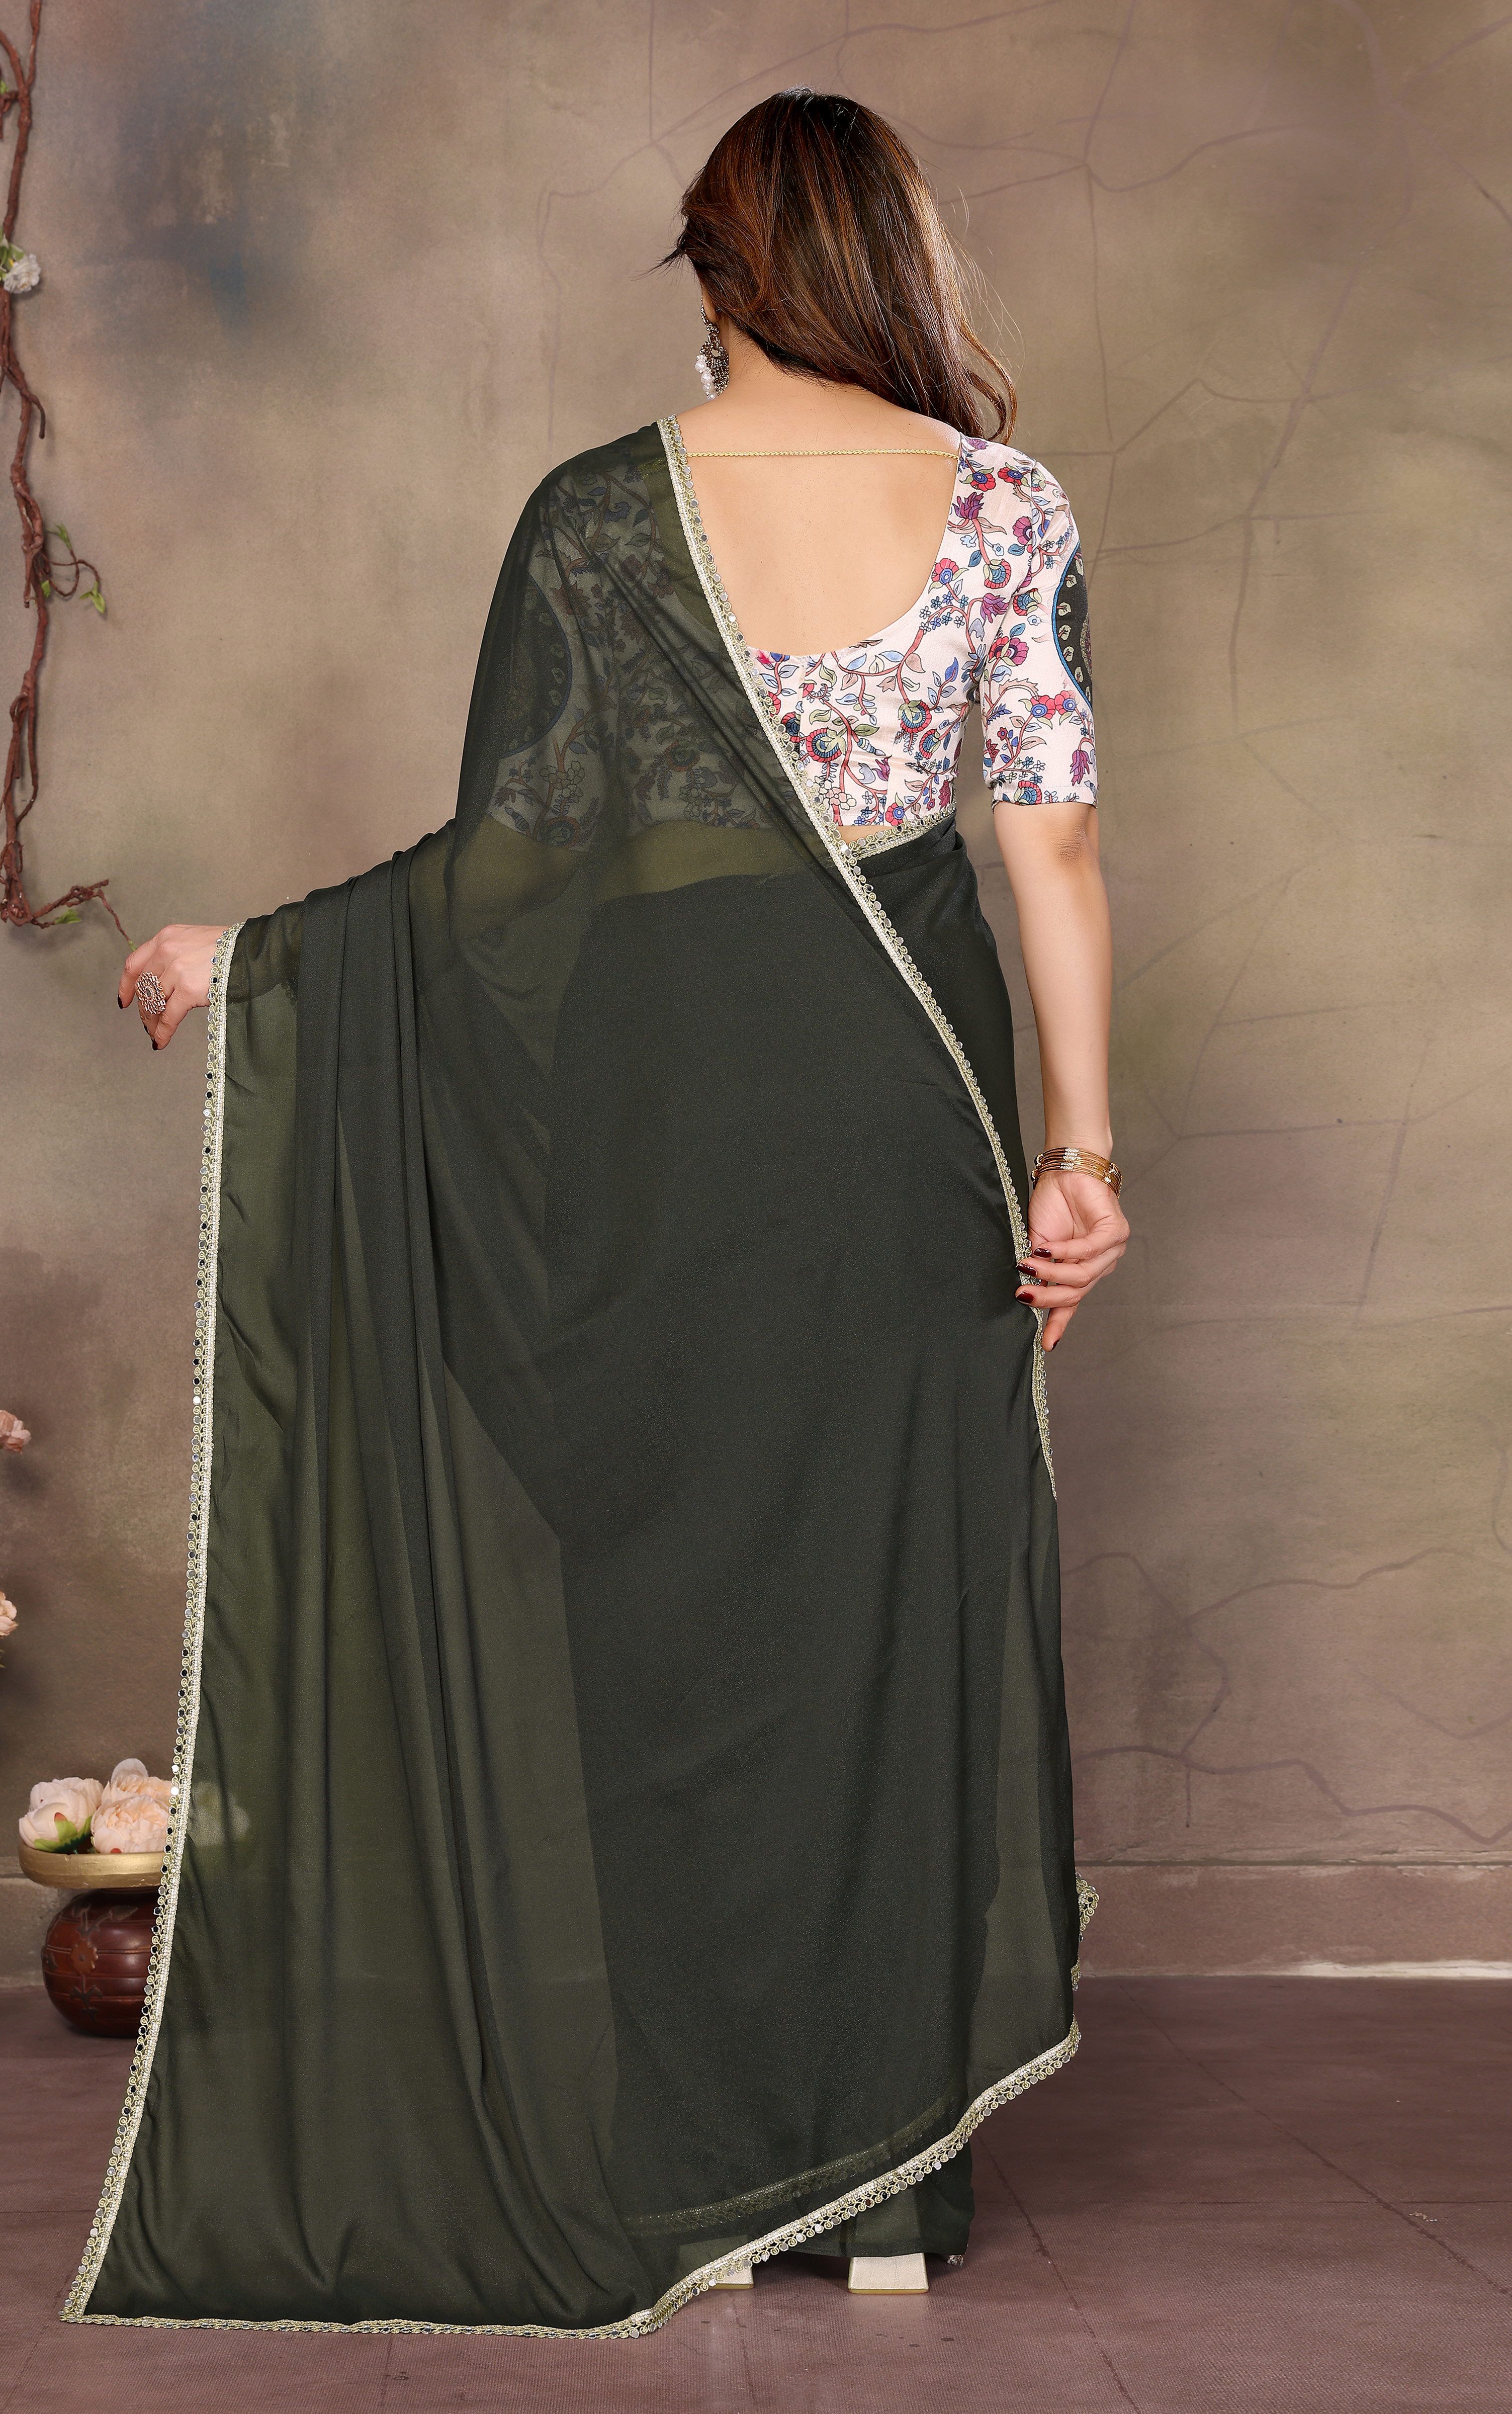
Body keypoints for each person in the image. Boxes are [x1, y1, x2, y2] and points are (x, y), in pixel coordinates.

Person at [64, 88, 1127, 2341]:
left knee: (678, 1621)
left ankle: (713, 2166)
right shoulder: (1003, 504)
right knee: (886, 1598)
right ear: (891, 258)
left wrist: (262, 961)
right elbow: (1048, 843)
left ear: (719, 267)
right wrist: (1083, 1154)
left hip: (660, 1119)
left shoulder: (605, 512)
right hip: (910, 1115)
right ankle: (892, 2192)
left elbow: (520, 871)